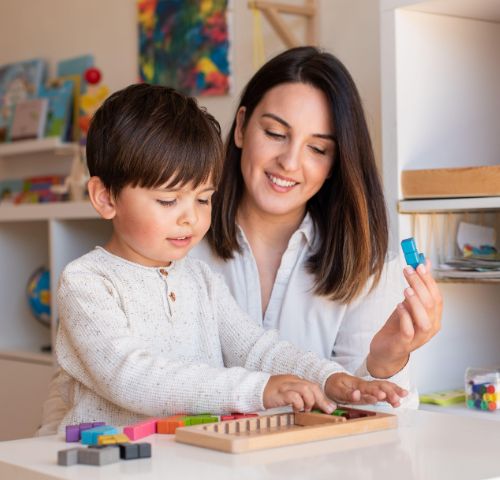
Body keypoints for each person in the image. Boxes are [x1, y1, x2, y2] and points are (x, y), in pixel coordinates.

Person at [38, 83, 407, 435]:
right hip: (104, 472)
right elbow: (131, 377)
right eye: (168, 201)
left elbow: (255, 347)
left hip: (186, 461)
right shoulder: (88, 281)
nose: (191, 218)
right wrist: (257, 390)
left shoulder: (200, 279)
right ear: (105, 198)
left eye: (203, 199)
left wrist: (327, 377)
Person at [191, 46, 443, 409]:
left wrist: (386, 363)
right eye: (276, 133)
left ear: (335, 164)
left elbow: (376, 436)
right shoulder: (179, 240)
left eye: (318, 149)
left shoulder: (364, 264)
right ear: (242, 126)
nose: (289, 162)